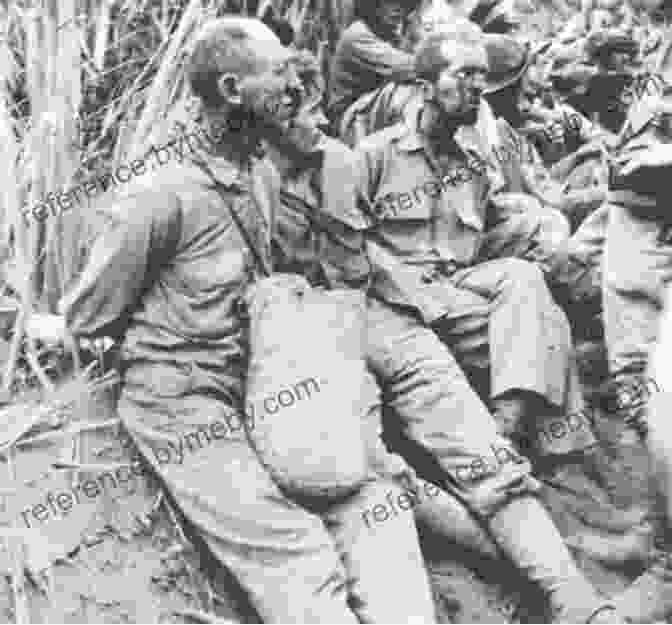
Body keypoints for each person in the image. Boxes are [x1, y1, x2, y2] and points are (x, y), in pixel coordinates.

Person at [26, 17, 437, 623]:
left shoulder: (264, 176)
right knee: (296, 551)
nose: (295, 87)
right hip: (182, 402)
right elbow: (89, 315)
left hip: (256, 385)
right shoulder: (161, 195)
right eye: (277, 74)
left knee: (372, 504)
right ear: (229, 89)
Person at [353, 20, 626, 623]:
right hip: (397, 306)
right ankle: (529, 494)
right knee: (526, 317)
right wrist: (413, 289)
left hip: (458, 293)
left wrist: (547, 231)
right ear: (427, 85)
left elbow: (490, 221)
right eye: (464, 76)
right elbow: (350, 243)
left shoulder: (474, 158)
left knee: (528, 283)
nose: (477, 88)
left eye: (482, 76)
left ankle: (523, 430)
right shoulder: (372, 157)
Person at [328, 0, 419, 123]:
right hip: (348, 119)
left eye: (402, 3)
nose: (397, 9)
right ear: (374, 5)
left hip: (365, 113)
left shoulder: (387, 33)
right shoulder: (358, 34)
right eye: (389, 2)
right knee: (403, 89)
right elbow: (407, 67)